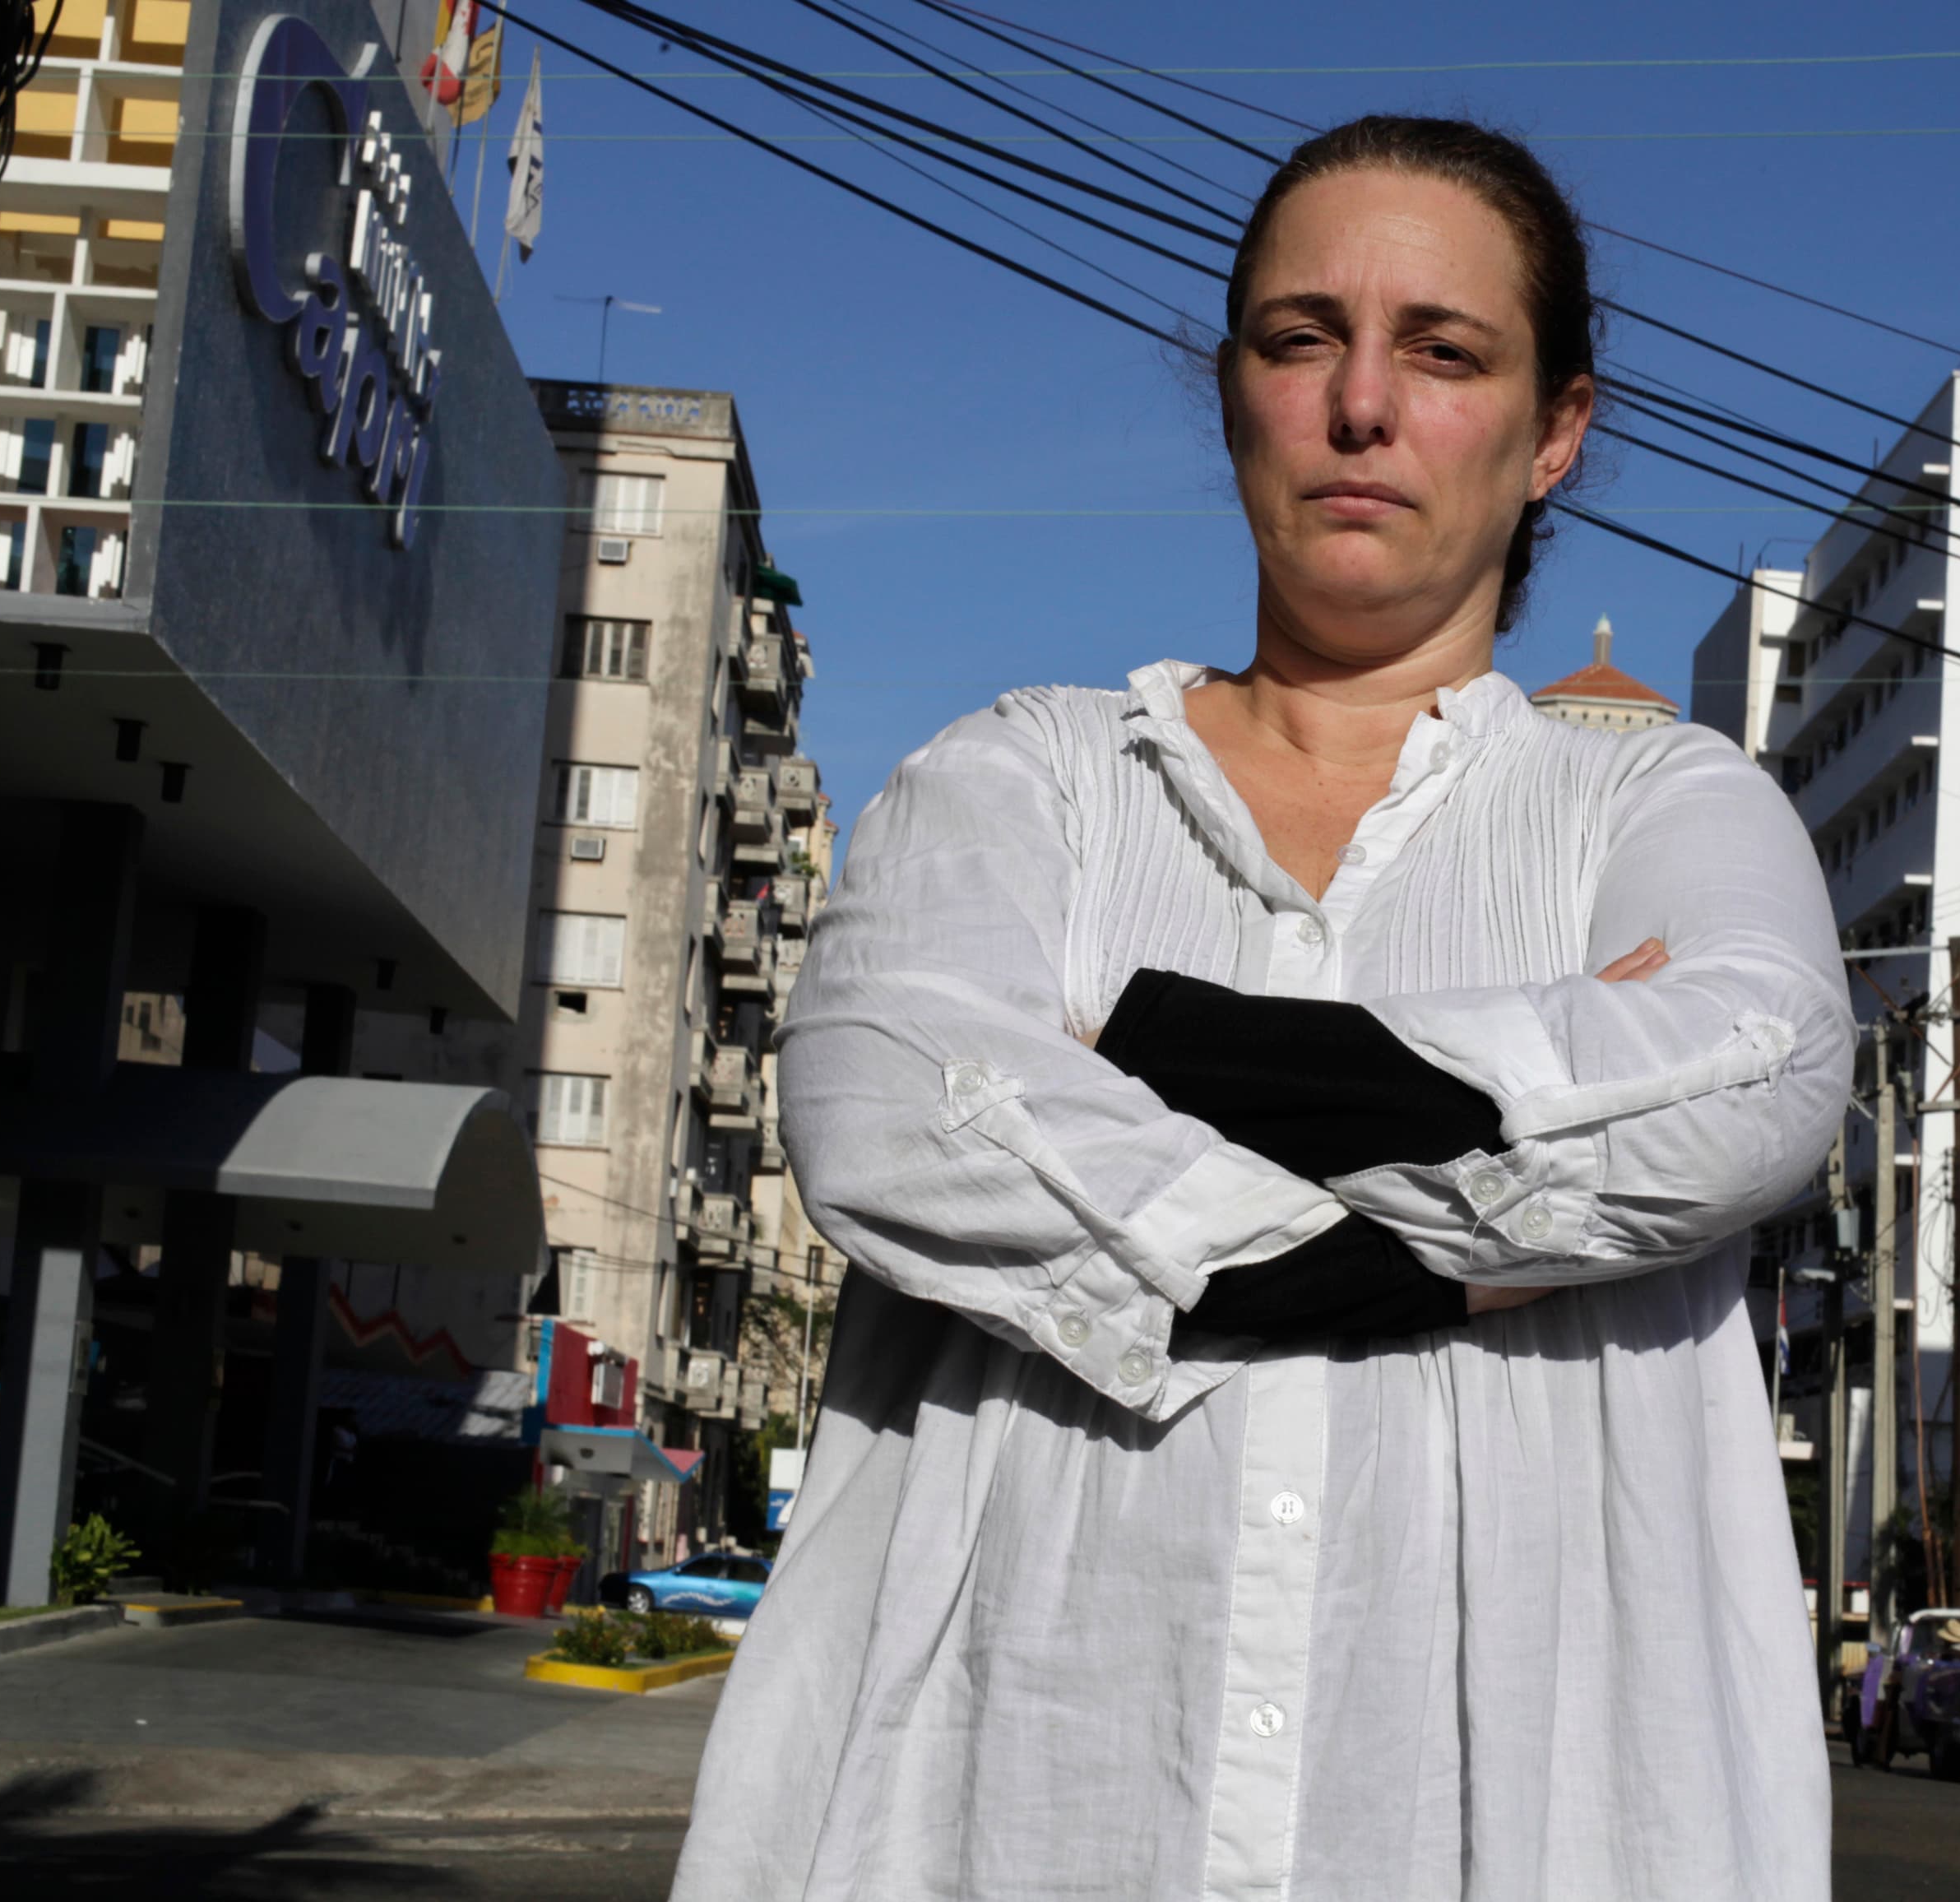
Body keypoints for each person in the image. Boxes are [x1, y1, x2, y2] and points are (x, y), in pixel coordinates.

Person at [671, 115, 1852, 1902]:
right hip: (1004, 1825)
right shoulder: (1028, 776)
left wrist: (1144, 1059)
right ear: (1232, 392)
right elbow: (888, 1102)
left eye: (1443, 351)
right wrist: (1499, 1223)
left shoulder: (1662, 806)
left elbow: (1756, 1072)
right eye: (1301, 339)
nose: (1360, 404)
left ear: (1555, 436)